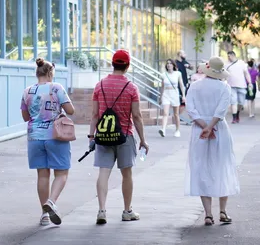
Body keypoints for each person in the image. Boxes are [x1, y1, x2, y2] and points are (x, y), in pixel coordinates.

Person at [89, 49, 150, 225]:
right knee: (127, 174)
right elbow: (137, 116)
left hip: (103, 136)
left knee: (103, 172)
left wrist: (91, 136)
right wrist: (143, 140)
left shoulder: (99, 85)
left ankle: (101, 210)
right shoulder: (131, 88)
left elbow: (94, 114)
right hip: (125, 136)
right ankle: (127, 211)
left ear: (112, 64)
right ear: (128, 65)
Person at [185, 56, 240, 226]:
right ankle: (222, 211)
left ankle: (208, 214)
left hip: (199, 131)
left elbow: (191, 109)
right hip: (219, 129)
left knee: (202, 168)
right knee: (222, 167)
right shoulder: (224, 87)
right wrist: (211, 126)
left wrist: (204, 127)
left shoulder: (194, 86)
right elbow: (221, 110)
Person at [21, 58, 75, 226]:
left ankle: (44, 216)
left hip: (35, 137)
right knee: (61, 173)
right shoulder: (57, 88)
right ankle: (50, 202)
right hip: (55, 136)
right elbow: (70, 110)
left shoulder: (27, 91)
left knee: (42, 175)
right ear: (51, 73)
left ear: (37, 73)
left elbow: (25, 117)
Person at [159, 59, 186, 138]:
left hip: (174, 93)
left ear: (173, 65)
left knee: (176, 114)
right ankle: (163, 129)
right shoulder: (163, 75)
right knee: (165, 112)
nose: (169, 65)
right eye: (167, 63)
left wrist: (184, 96)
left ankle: (177, 130)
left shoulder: (178, 73)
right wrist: (161, 97)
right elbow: (162, 87)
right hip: (166, 94)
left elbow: (181, 85)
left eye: (170, 63)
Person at [225, 51, 252, 124]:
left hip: (241, 86)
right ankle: (234, 118)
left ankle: (237, 114)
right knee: (233, 102)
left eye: (229, 56)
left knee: (241, 103)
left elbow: (246, 73)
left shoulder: (241, 63)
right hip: (231, 86)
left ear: (233, 55)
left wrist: (249, 82)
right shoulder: (226, 64)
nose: (228, 57)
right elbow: (224, 74)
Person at [175, 50, 194, 114]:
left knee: (184, 100)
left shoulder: (184, 62)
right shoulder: (176, 63)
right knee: (179, 99)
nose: (185, 55)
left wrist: (188, 66)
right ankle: (176, 114)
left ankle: (178, 115)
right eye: (184, 53)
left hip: (184, 82)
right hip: (178, 84)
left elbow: (192, 68)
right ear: (180, 54)